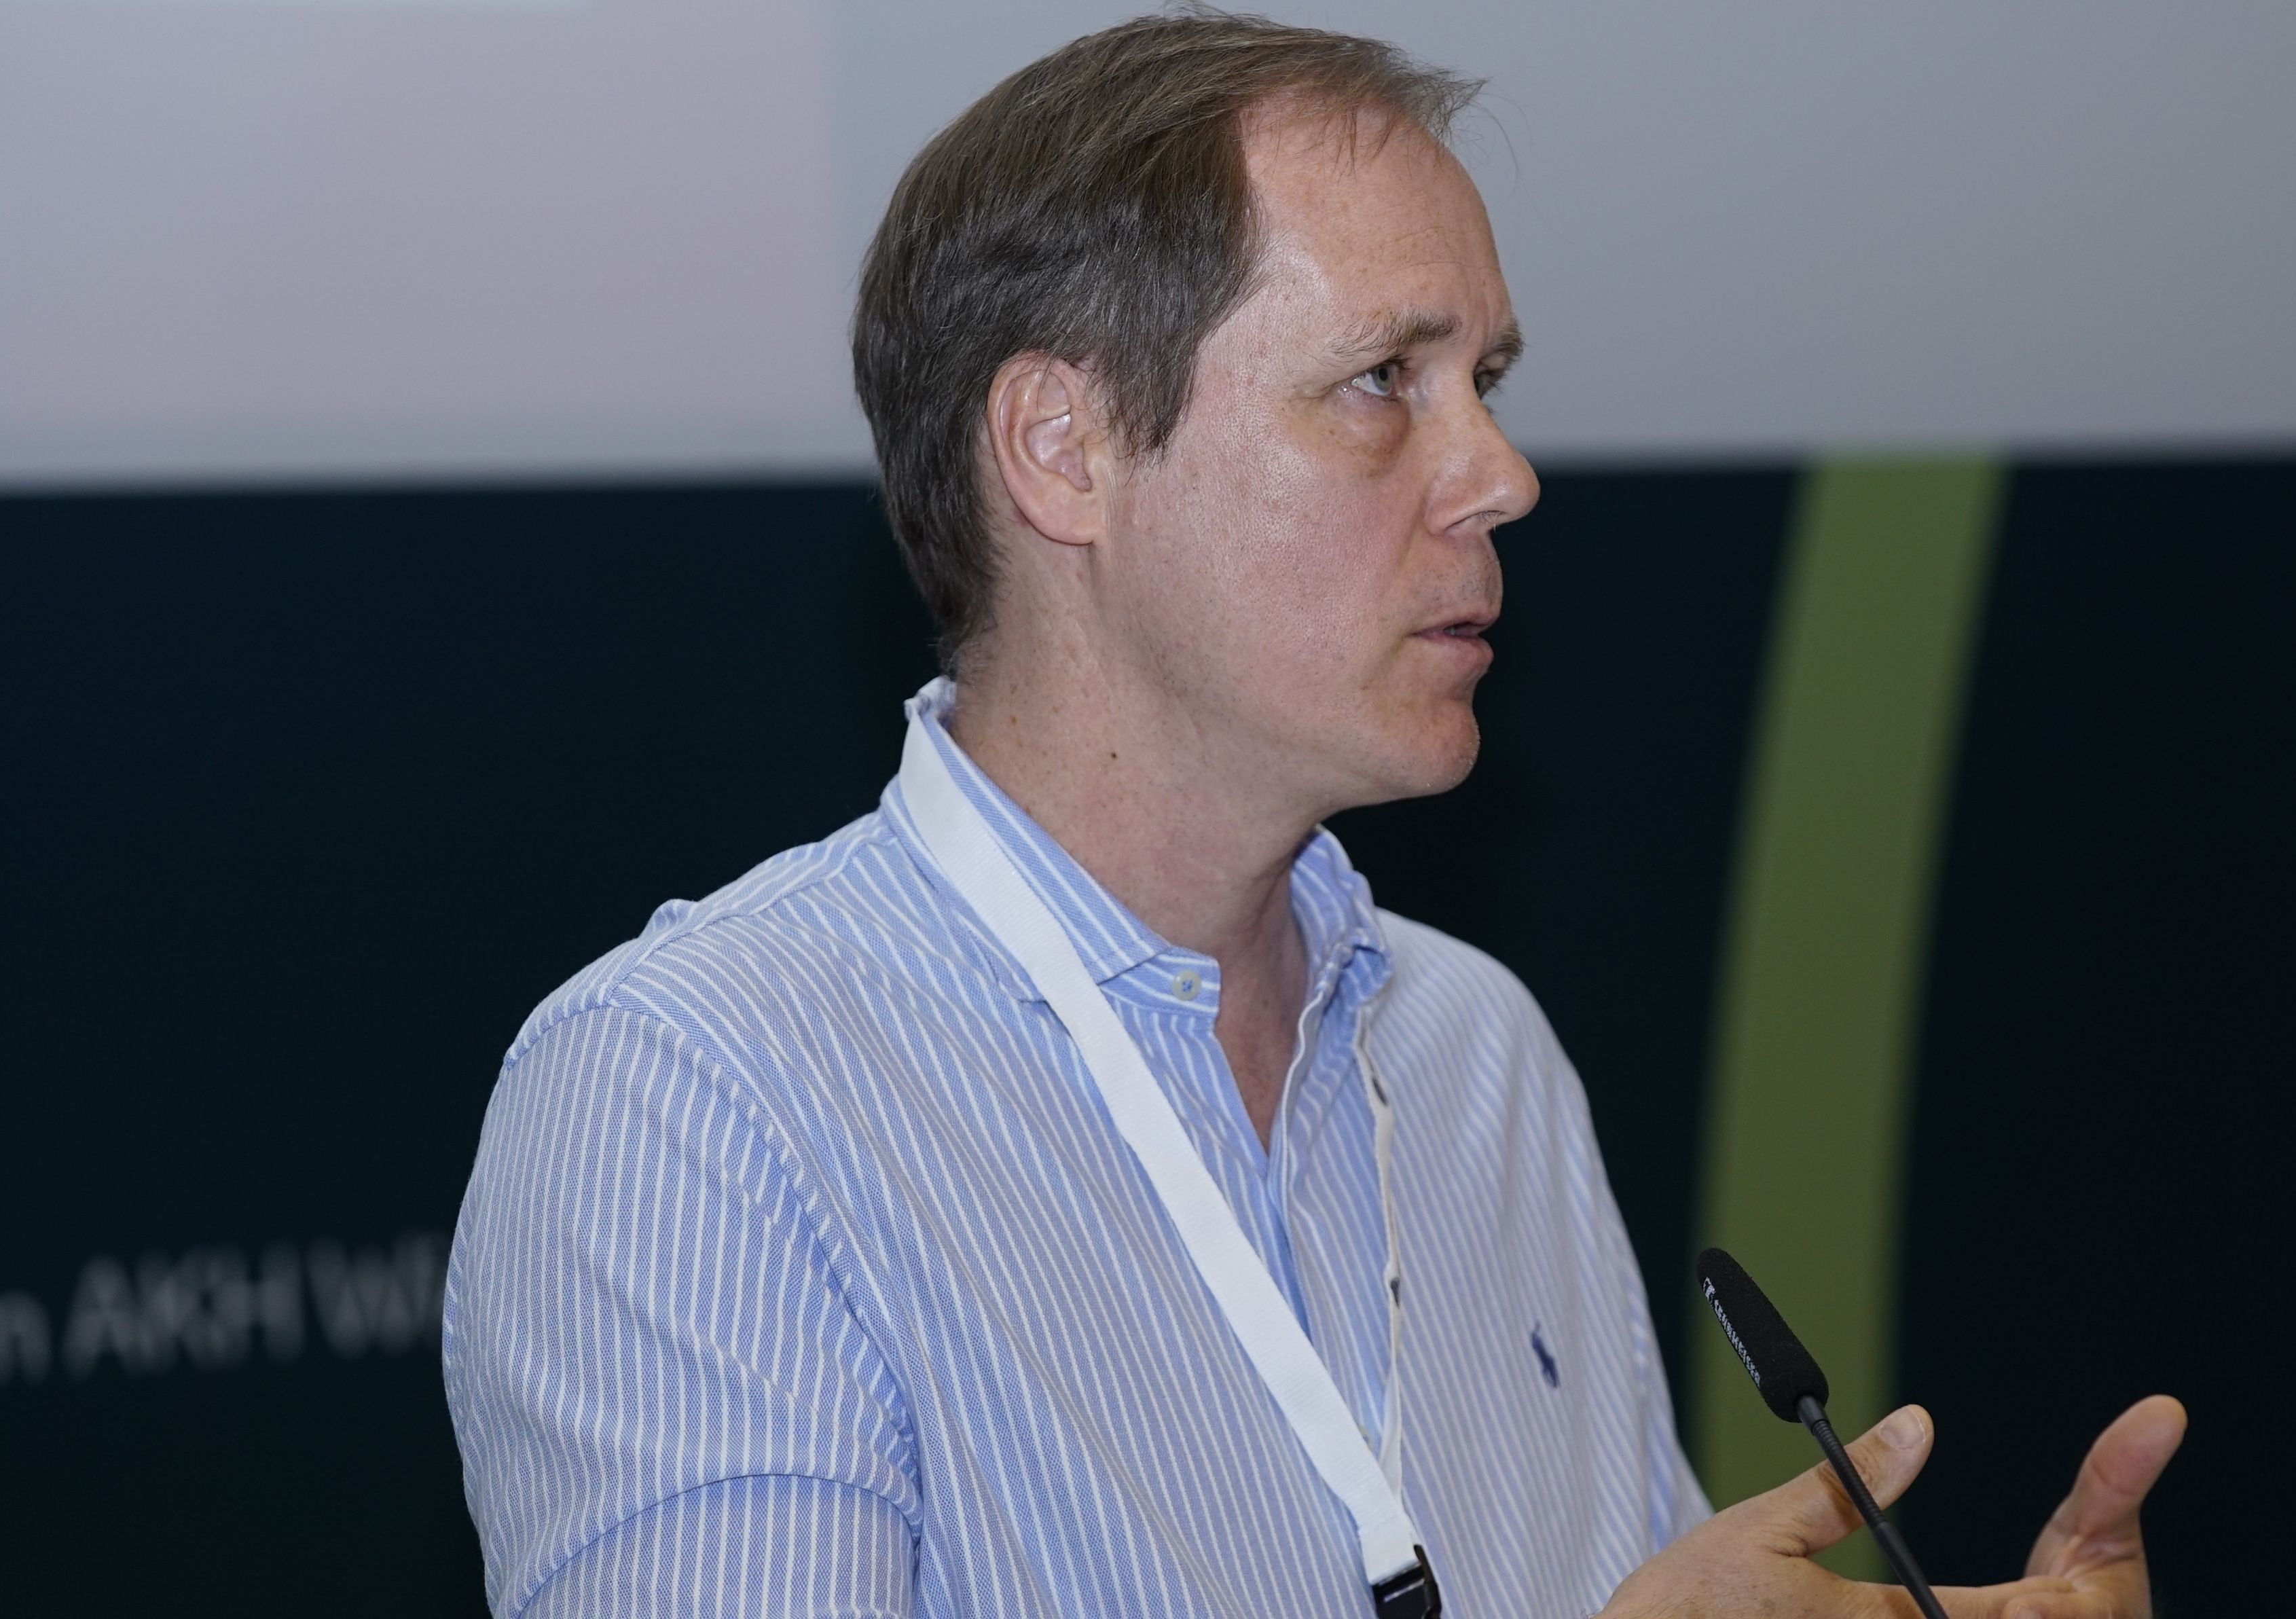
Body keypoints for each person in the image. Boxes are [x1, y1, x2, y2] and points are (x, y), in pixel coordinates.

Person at [442, 12, 2185, 1616]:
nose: (1499, 474)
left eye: (1486, 381)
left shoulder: (1475, 1054)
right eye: (1380, 384)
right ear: (1059, 449)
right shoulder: (701, 1102)